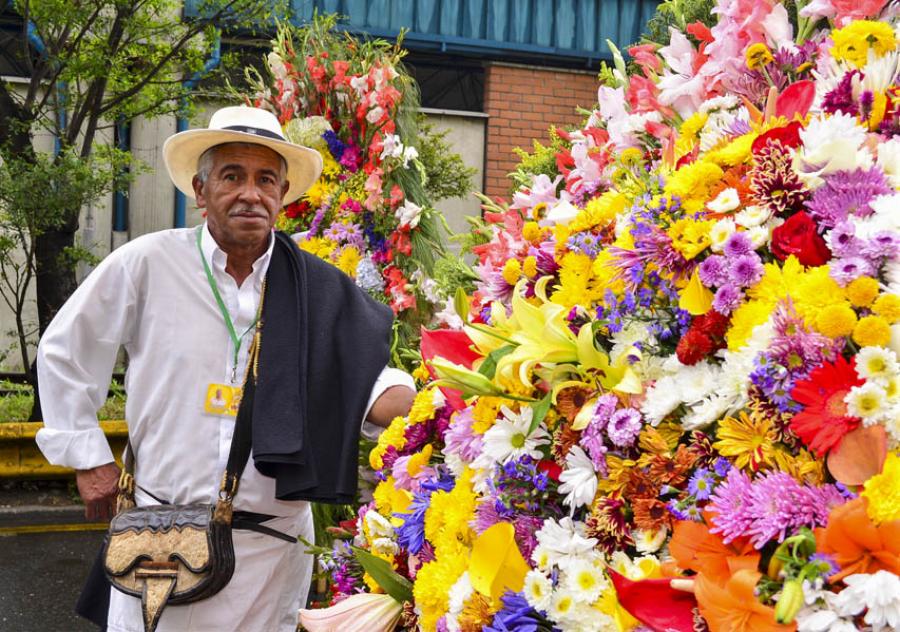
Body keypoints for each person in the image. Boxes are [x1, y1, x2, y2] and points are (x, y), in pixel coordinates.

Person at [35, 105, 416, 632]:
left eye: (266, 180)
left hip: (270, 552)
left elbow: (359, 371)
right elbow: (65, 351)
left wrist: (424, 402)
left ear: (283, 195)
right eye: (232, 176)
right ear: (200, 189)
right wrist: (86, 456)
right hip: (162, 537)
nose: (250, 193)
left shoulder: (316, 287)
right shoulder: (148, 262)